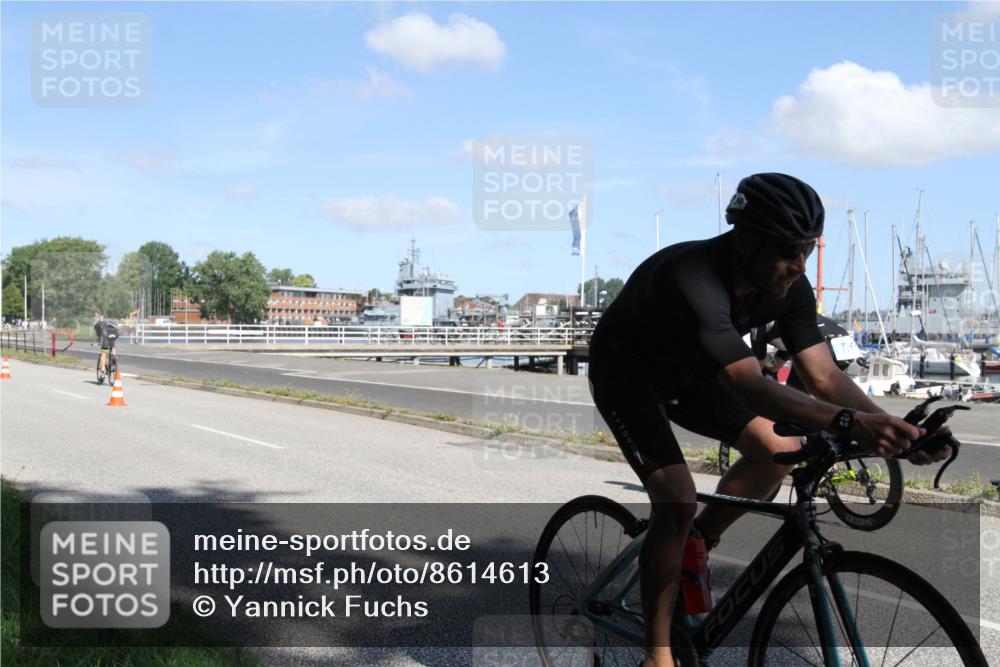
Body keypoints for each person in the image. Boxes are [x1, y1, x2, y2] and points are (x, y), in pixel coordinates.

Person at [587, 172, 951, 667]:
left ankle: (698, 544)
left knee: (780, 453)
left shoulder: (790, 287)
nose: (798, 264)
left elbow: (822, 377)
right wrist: (848, 424)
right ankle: (659, 656)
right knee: (676, 499)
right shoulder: (692, 275)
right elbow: (750, 385)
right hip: (628, 374)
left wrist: (897, 431)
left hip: (694, 374)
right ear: (746, 238)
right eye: (787, 250)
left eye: (806, 248)